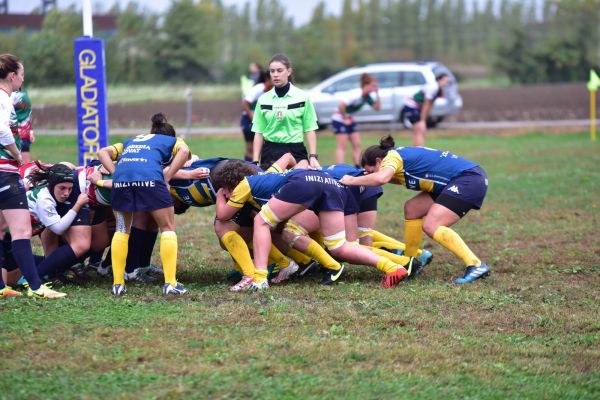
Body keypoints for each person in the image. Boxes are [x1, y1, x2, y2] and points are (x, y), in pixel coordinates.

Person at [340, 135, 490, 284]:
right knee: (412, 209)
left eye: (371, 171)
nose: (370, 175)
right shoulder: (398, 156)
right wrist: (370, 177)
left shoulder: (392, 158)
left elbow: (381, 178)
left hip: (468, 179)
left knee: (432, 225)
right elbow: (394, 177)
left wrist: (352, 180)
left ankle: (475, 264)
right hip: (455, 180)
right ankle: (410, 260)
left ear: (379, 161)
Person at [97, 113, 191, 296]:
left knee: (122, 230)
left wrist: (117, 173)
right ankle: (170, 284)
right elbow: (185, 153)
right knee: (168, 228)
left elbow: (102, 152)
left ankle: (118, 284)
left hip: (122, 182)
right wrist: (168, 176)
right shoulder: (172, 140)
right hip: (151, 181)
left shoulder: (131, 140)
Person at [0, 53, 65, 298]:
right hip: (5, 172)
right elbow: (2, 131)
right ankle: (36, 288)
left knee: (1, 230)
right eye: (22, 75)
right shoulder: (4, 98)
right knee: (22, 231)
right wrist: (17, 154)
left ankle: (1, 288)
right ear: (12, 75)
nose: (23, 80)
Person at [252, 54, 320, 170]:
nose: (275, 75)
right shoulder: (263, 100)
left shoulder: (303, 97)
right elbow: (258, 133)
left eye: (279, 70)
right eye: (272, 71)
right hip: (270, 152)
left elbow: (310, 129)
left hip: (296, 151)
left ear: (289, 72)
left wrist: (313, 156)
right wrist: (255, 161)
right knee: (271, 188)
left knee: (297, 187)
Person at [26, 163, 91, 281]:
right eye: (62, 188)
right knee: (11, 278)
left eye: (70, 188)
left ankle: (51, 272)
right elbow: (59, 229)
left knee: (18, 264)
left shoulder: (47, 188)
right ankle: (36, 279)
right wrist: (78, 204)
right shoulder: (44, 200)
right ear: (51, 185)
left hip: (14, 237)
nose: (66, 193)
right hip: (7, 236)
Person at [331, 73, 380, 166]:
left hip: (349, 118)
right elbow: (341, 105)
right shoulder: (356, 94)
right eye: (373, 86)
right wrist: (345, 117)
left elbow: (377, 108)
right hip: (339, 118)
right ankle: (340, 168)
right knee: (342, 145)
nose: (375, 88)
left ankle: (357, 166)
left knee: (357, 144)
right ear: (366, 85)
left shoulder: (367, 97)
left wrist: (377, 94)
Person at [401, 73, 450, 147]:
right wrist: (423, 120)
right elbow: (426, 105)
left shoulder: (438, 90)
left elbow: (430, 105)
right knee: (420, 130)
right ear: (439, 80)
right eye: (446, 81)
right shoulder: (434, 87)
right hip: (411, 107)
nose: (447, 83)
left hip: (413, 107)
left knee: (418, 131)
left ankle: (416, 151)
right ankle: (419, 152)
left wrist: (425, 118)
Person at [240, 71, 273, 161]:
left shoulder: (272, 91)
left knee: (262, 147)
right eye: (272, 76)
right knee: (250, 148)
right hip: (248, 120)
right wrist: (253, 118)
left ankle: (259, 167)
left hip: (261, 121)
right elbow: (245, 103)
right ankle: (249, 169)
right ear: (267, 79)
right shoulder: (259, 88)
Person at [11, 88, 34, 164]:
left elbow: (28, 113)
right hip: (13, 134)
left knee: (25, 165)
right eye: (21, 75)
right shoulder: (6, 94)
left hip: (24, 133)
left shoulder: (24, 91)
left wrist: (31, 132)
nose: (23, 79)